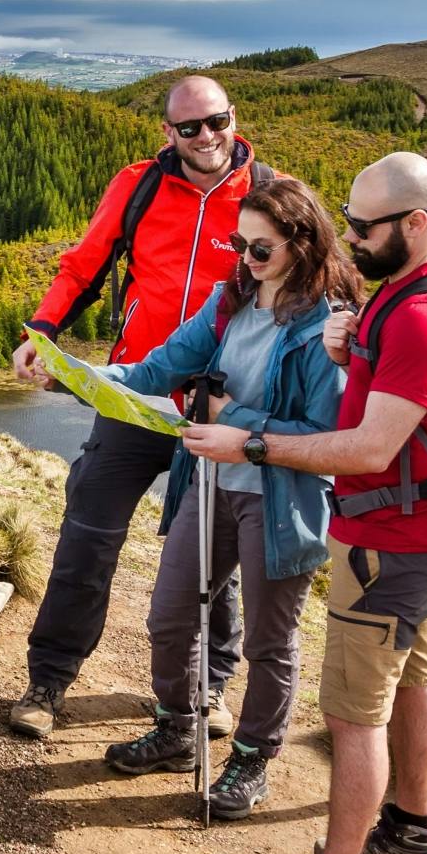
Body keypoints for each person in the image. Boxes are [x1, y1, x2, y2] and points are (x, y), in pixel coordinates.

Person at [183, 152, 427, 854]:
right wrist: (354, 357)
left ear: (416, 222)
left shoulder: (423, 315)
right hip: (419, 540)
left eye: (363, 225)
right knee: (415, 682)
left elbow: (366, 450)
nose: (347, 238)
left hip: (385, 545)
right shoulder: (425, 294)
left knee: (353, 718)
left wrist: (251, 443)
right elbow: (404, 414)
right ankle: (409, 835)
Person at [8, 74, 276, 738]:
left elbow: (305, 289)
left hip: (219, 408)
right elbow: (83, 265)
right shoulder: (139, 185)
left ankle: (208, 690)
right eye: (189, 127)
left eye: (215, 120)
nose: (206, 136)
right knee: (88, 530)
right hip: (138, 393)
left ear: (231, 117)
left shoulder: (267, 193)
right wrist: (40, 334)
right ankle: (47, 680)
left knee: (215, 554)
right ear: (167, 133)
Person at [90, 178, 358, 818]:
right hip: (208, 483)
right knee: (171, 615)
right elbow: (158, 369)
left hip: (281, 498)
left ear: (302, 242)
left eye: (260, 249)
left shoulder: (329, 327)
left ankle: (251, 759)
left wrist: (235, 419)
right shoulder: (227, 301)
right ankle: (178, 730)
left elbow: (327, 435)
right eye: (238, 244)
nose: (246, 259)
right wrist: (76, 375)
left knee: (271, 639)